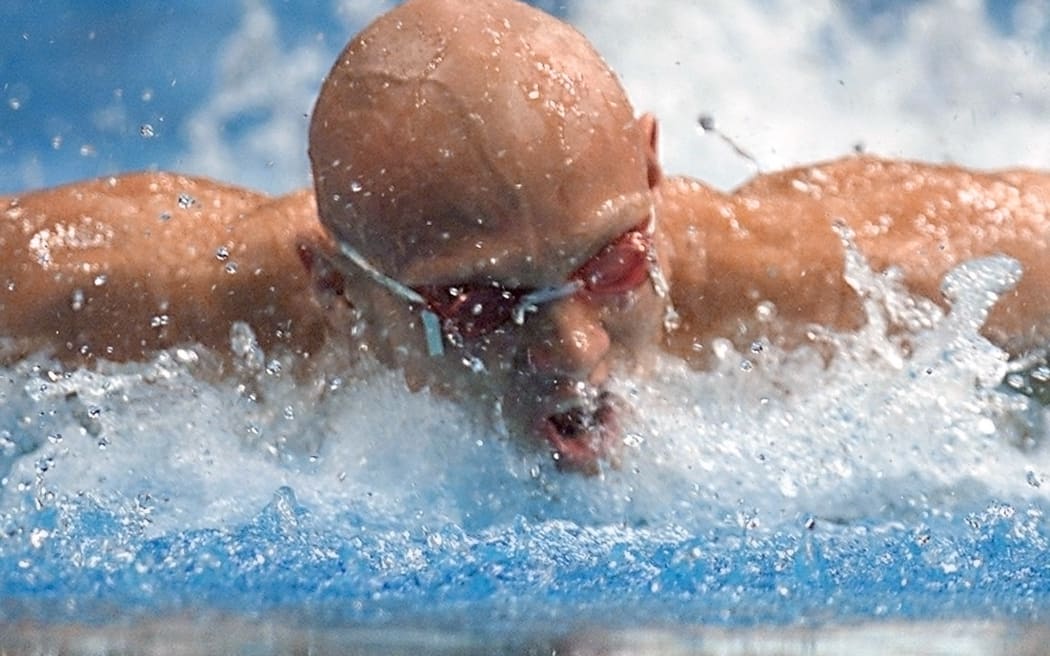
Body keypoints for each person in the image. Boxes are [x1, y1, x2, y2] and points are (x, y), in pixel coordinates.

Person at [1, 0, 1048, 473]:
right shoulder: (136, 305)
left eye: (611, 264)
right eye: (479, 304)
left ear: (650, 179)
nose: (576, 349)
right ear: (334, 285)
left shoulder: (841, 286)